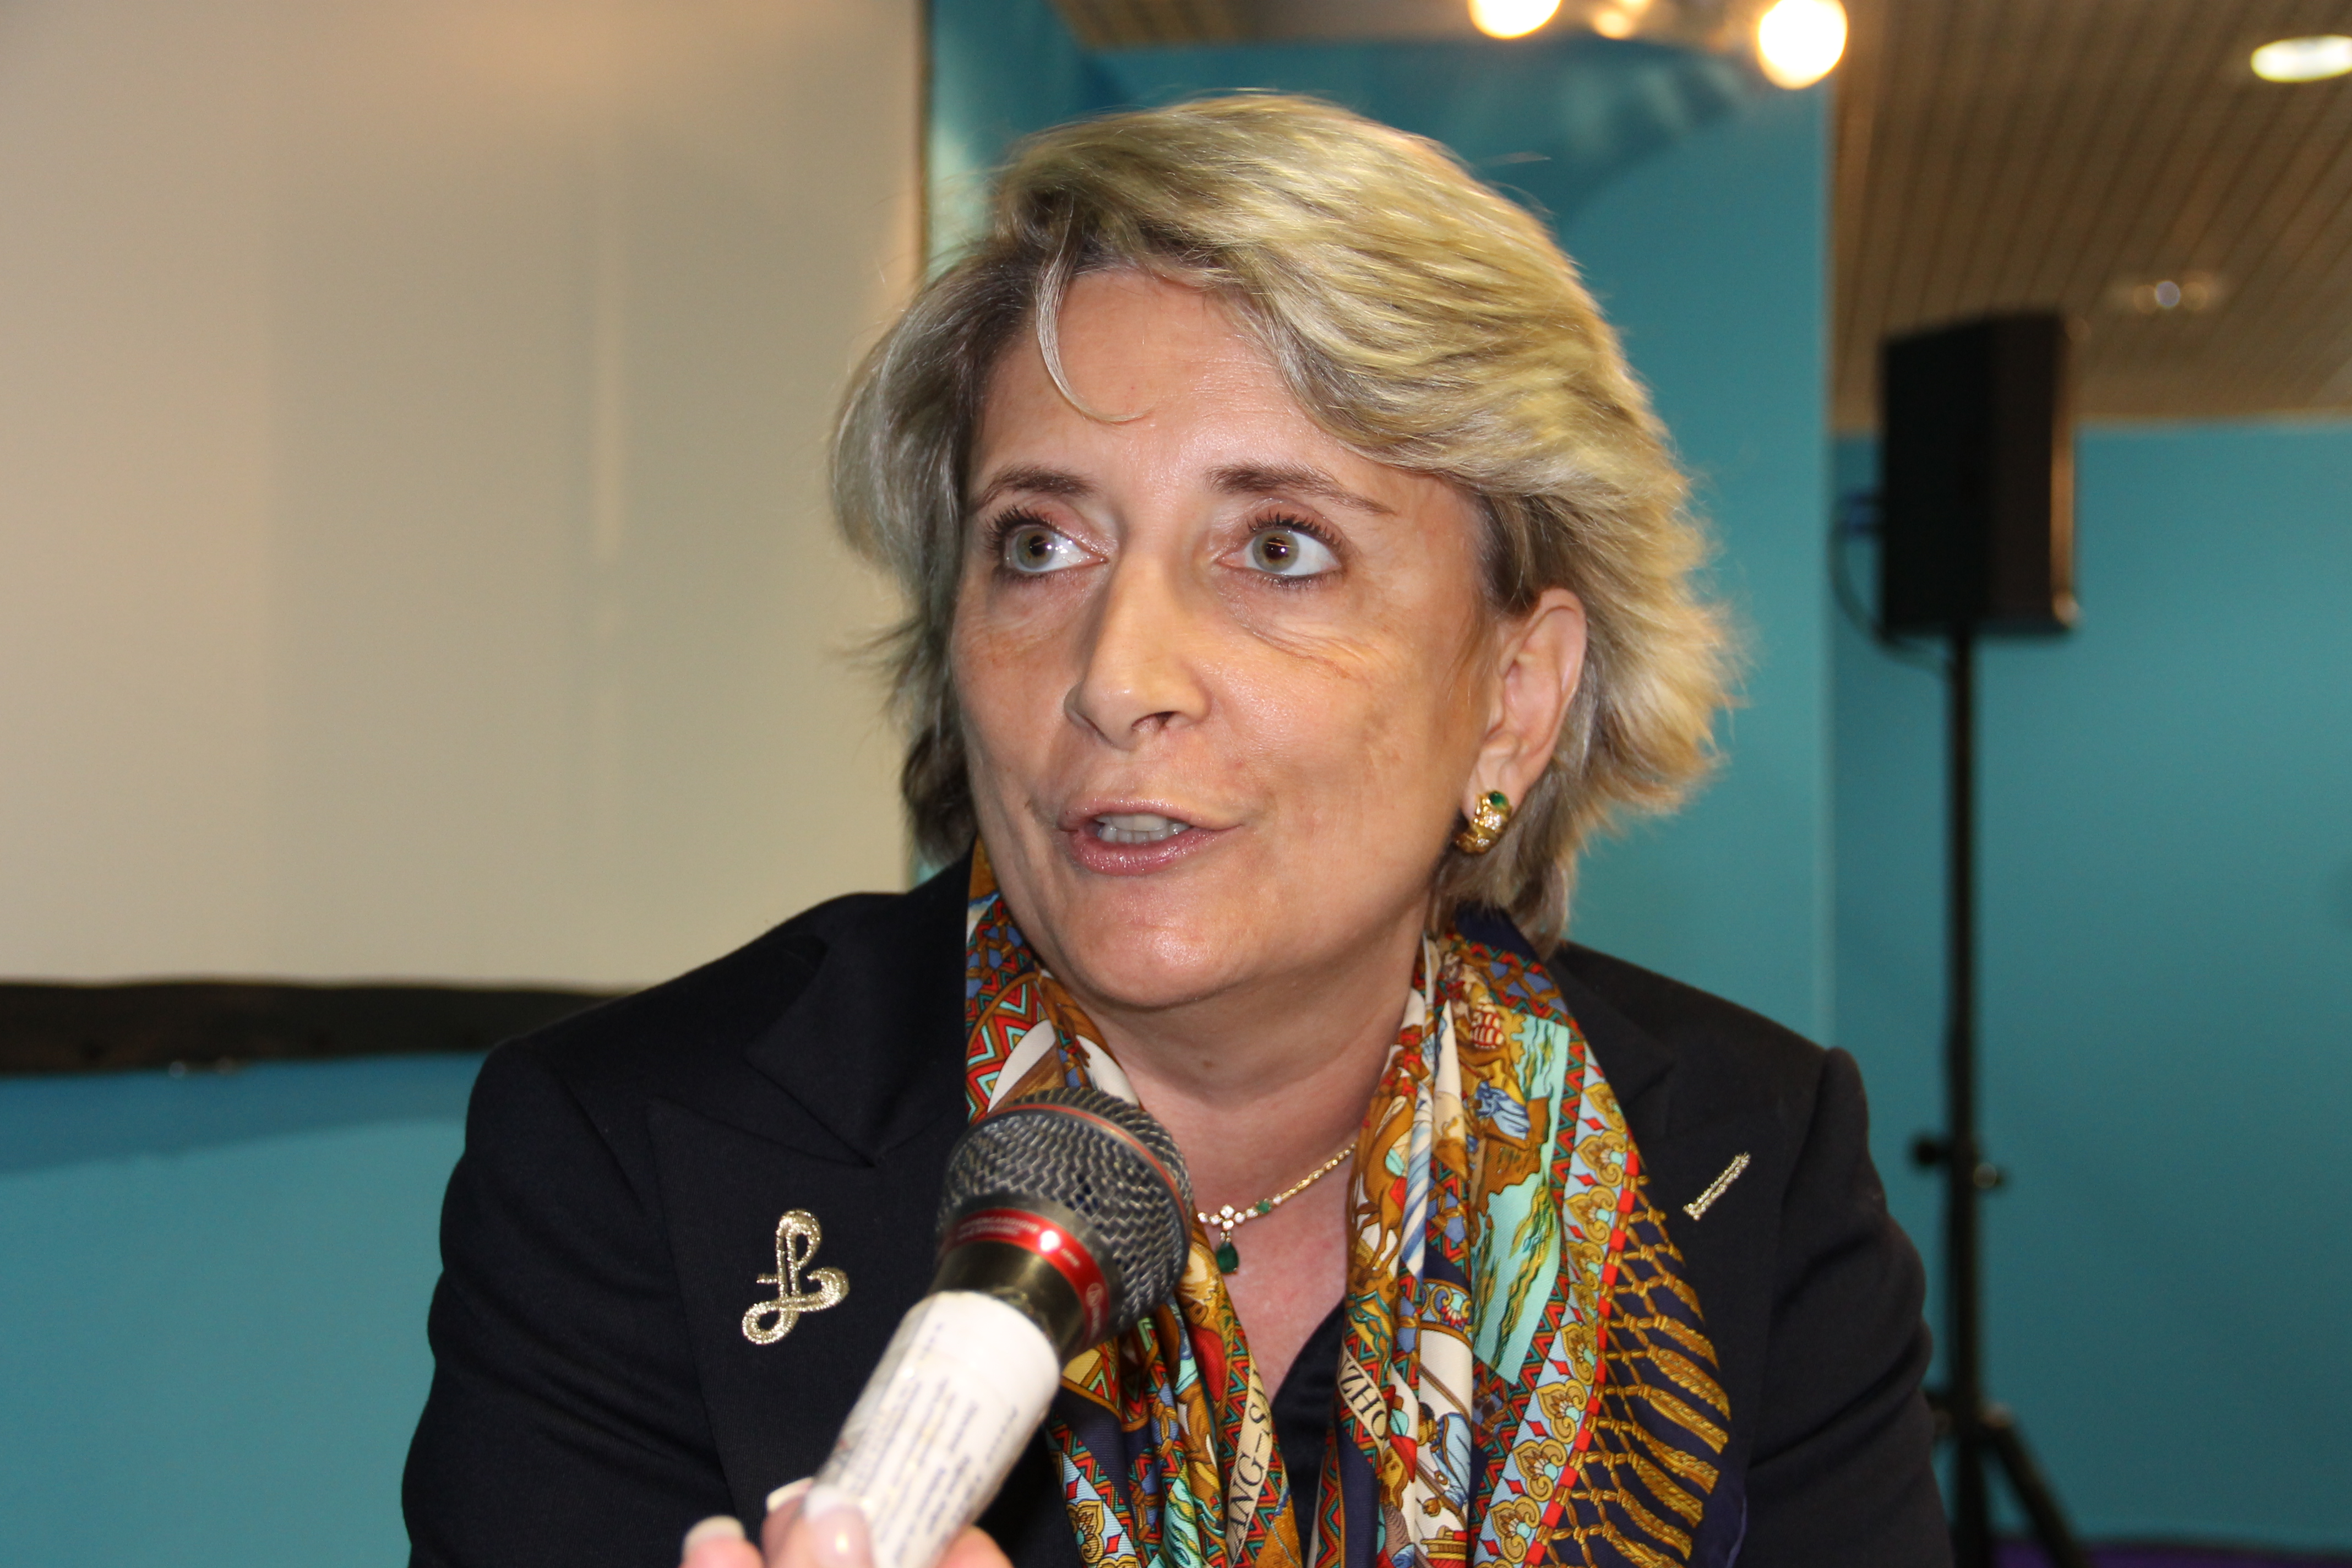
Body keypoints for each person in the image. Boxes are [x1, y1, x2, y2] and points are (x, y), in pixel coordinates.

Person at [404, 95, 1946, 1568]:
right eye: (1038, 544)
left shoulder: (1742, 1156)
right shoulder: (635, 1154)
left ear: (1513, 699)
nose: (1115, 675)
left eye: (1279, 549)